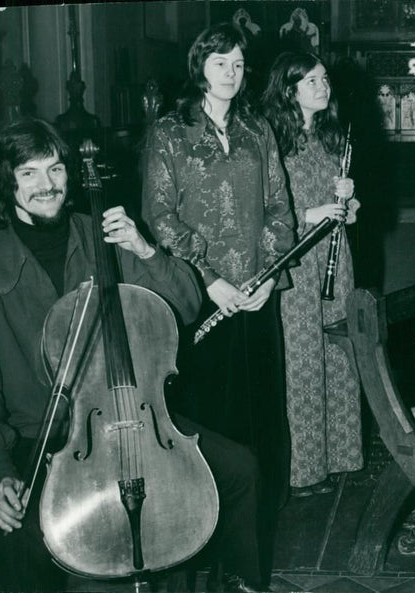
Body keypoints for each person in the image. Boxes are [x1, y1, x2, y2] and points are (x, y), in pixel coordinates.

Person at [0, 118, 262, 593]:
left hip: (134, 413)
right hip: (42, 438)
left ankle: (238, 583)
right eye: (29, 174)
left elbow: (184, 303)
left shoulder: (102, 234)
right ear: (6, 184)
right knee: (22, 540)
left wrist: (144, 249)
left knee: (240, 468)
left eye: (55, 169)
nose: (48, 185)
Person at [141, 23, 295, 587]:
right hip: (197, 302)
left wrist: (263, 277)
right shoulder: (169, 132)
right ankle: (198, 547)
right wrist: (209, 281)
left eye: (238, 64)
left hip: (256, 299)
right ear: (198, 66)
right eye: (219, 63)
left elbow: (281, 208)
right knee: (211, 425)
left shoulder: (258, 129)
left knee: (260, 425)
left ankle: (250, 562)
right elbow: (160, 218)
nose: (231, 73)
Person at [261, 52, 363, 498]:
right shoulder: (271, 142)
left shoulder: (330, 136)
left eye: (325, 79)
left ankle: (341, 457)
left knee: (339, 352)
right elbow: (261, 213)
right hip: (296, 262)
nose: (324, 87)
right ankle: (303, 470)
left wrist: (348, 202)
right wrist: (313, 213)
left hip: (336, 261)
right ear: (289, 90)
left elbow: (347, 213)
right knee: (302, 360)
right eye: (313, 81)